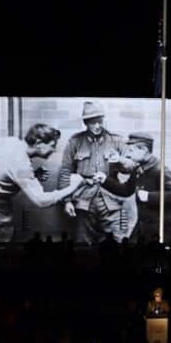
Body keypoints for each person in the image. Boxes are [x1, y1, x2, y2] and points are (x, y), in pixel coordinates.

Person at [0, 124, 85, 242]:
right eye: (52, 146)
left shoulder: (9, 142)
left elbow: (5, 171)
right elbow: (41, 201)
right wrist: (73, 186)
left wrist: (33, 174)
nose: (54, 150)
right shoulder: (20, 162)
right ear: (39, 143)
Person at [58, 101, 127, 244]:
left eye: (99, 121)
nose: (97, 126)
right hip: (84, 199)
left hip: (111, 199)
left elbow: (131, 168)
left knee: (117, 242)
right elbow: (65, 172)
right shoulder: (75, 142)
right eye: (92, 122)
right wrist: (67, 201)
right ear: (85, 123)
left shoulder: (116, 140)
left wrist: (120, 160)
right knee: (83, 243)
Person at [99, 133, 171, 243]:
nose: (128, 155)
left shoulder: (160, 169)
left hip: (164, 228)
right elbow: (126, 190)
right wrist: (104, 180)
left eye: (131, 151)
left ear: (143, 150)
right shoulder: (139, 168)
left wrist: (149, 196)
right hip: (145, 225)